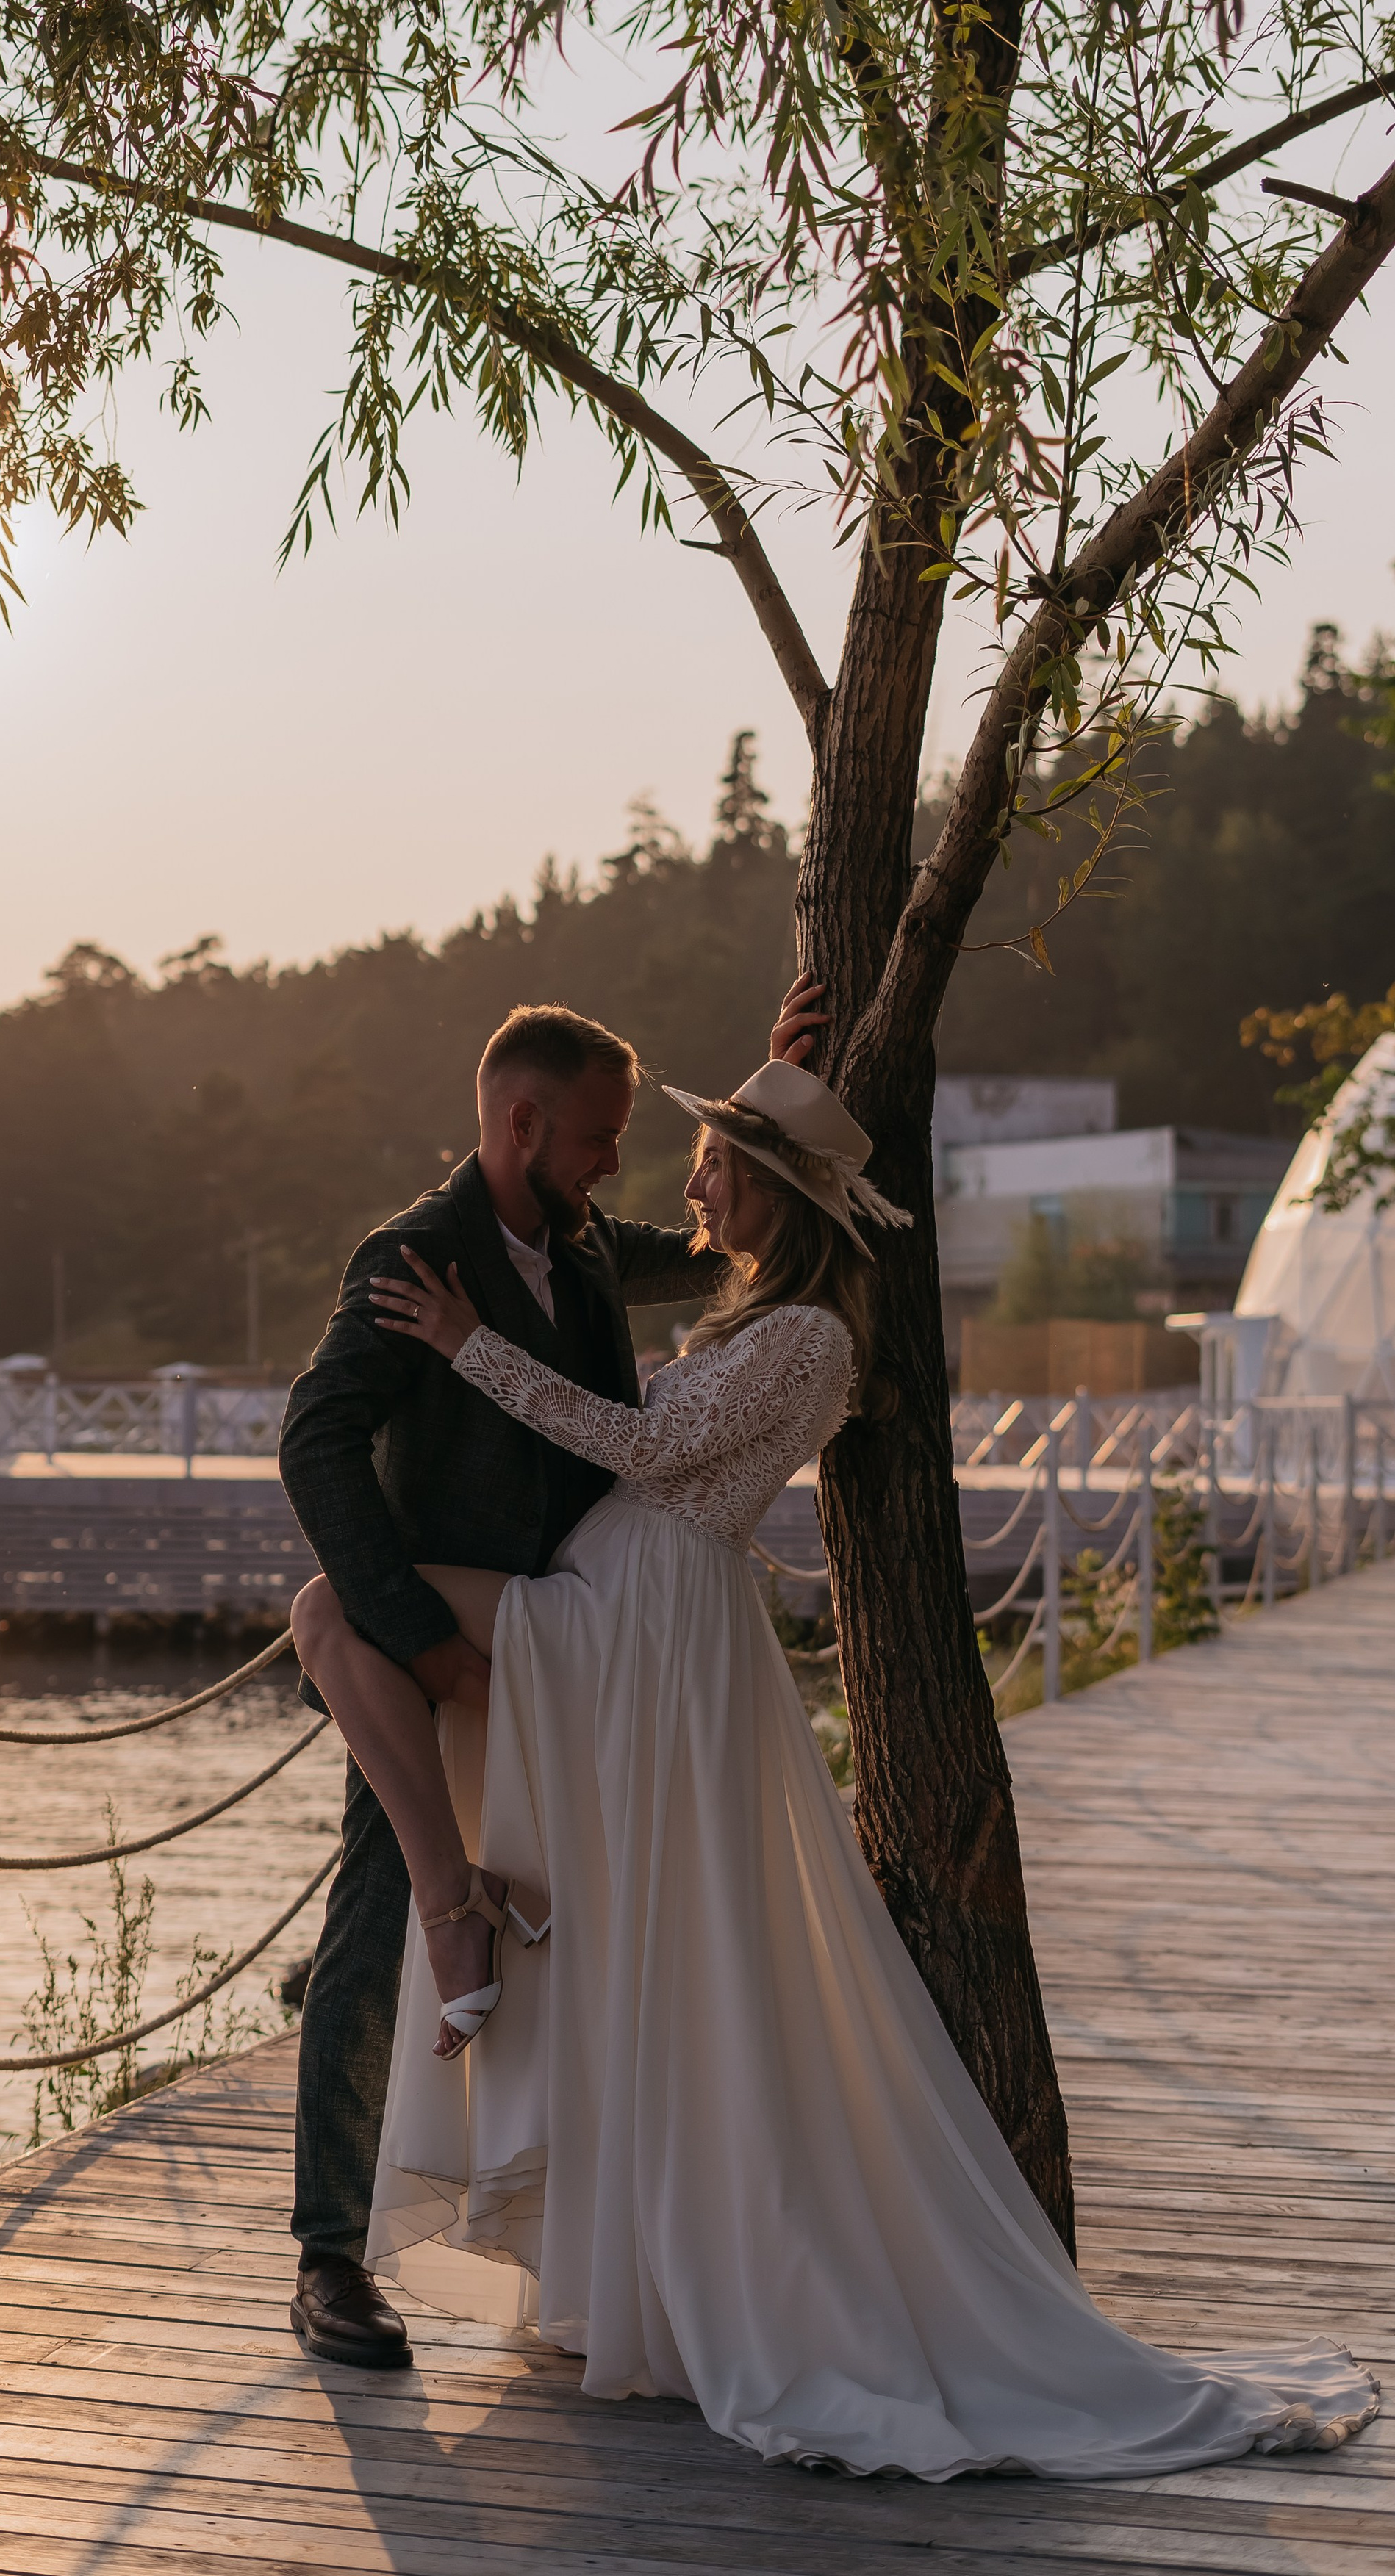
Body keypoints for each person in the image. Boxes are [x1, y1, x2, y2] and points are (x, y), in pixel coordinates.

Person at [293, 1051, 1377, 2477]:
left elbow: (635, 1436)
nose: (668, 1180)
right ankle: (374, 2191)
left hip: (633, 1628)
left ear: (766, 1189)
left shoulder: (804, 1334)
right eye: (627, 1143)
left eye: (706, 1159)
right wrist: (787, 1060)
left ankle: (461, 1910)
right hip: (603, 1614)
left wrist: (465, 1351)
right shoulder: (642, 1283)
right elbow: (337, 1430)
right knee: (372, 1688)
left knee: (332, 1631)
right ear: (524, 1122)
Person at [279, 984, 826, 2370]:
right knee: (372, 1921)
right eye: (594, 1136)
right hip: (441, 1651)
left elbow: (728, 1239)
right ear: (521, 1122)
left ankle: (603, 2242)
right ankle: (333, 2261)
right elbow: (316, 1445)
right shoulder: (413, 1259)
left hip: (588, 1643)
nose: (612, 1164)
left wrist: (778, 1096)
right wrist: (416, 1637)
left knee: (605, 1937)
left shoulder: (586, 1245)